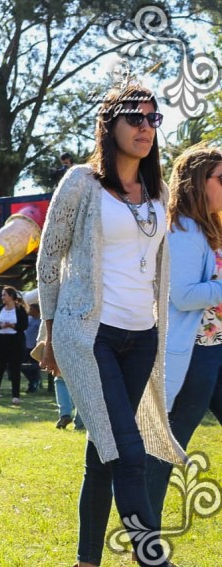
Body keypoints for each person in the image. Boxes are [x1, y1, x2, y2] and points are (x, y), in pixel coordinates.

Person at [36, 83, 185, 567]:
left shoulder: (159, 192)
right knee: (128, 452)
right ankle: (153, 559)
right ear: (110, 125)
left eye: (153, 119)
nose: (146, 128)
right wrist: (50, 329)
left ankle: (86, 560)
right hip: (89, 335)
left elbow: (157, 263)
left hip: (142, 338)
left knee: (103, 454)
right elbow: (50, 254)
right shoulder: (82, 182)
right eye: (134, 119)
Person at [146, 145, 222, 538]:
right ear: (197, 182)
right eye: (221, 178)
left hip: (214, 347)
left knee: (166, 443)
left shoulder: (209, 226)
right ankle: (147, 539)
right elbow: (184, 295)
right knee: (166, 444)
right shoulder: (184, 230)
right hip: (195, 353)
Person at [0, 286, 28, 405]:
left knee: (15, 369)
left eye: (4, 295)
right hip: (1, 341)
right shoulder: (0, 309)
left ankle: (15, 396)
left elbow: (24, 325)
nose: (2, 297)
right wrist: (1, 325)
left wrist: (12, 326)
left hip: (15, 342)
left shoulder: (20, 310)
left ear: (11, 296)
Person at [22, 302, 42, 392]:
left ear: (36, 311)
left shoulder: (40, 321)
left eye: (31, 309)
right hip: (25, 346)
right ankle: (33, 381)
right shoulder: (27, 319)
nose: (29, 311)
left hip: (34, 346)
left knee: (34, 367)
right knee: (22, 365)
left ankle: (33, 384)